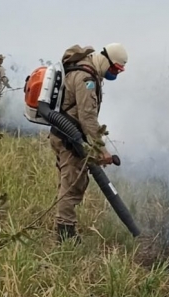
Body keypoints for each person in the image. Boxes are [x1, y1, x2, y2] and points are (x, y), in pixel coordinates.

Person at [50, 43, 128, 243]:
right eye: (114, 69)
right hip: (69, 137)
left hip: (70, 135)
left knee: (74, 181)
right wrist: (100, 149)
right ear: (107, 60)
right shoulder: (86, 78)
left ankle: (65, 227)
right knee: (72, 183)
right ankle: (65, 235)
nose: (114, 74)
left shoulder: (88, 71)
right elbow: (87, 117)